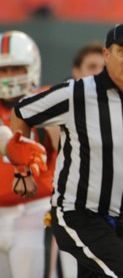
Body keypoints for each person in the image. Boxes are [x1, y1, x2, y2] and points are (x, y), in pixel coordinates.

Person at [10, 22, 123, 278]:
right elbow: (22, 112)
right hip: (78, 214)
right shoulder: (79, 92)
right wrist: (22, 170)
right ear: (107, 55)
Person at [0, 30, 61, 278]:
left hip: (35, 214)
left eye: (15, 69)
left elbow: (65, 144)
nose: (9, 77)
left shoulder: (46, 101)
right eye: (3, 70)